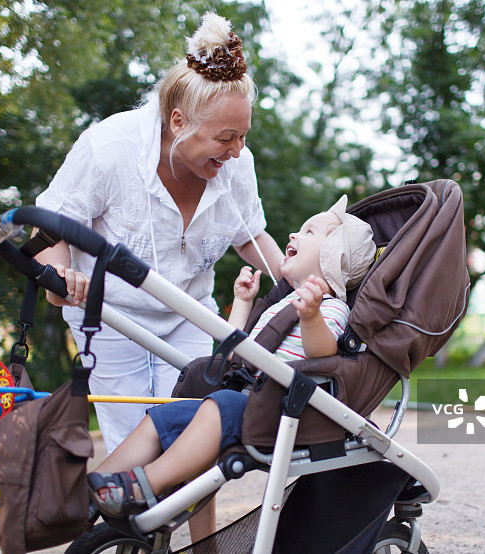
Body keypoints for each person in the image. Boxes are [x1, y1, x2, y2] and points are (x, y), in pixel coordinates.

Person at [32, 12, 284, 460]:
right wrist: (59, 277)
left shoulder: (235, 164)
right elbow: (51, 222)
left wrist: (299, 281)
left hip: (189, 311)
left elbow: (251, 236)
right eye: (226, 137)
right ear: (178, 121)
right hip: (111, 315)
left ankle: (193, 530)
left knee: (195, 435)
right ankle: (133, 527)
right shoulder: (110, 148)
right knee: (135, 443)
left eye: (243, 136)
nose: (238, 151)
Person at [86, 195, 378, 527]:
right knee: (162, 416)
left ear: (332, 257)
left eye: (308, 232)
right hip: (247, 400)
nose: (293, 236)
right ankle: (93, 490)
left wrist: (311, 318)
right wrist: (243, 303)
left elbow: (323, 356)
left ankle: (146, 486)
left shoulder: (330, 308)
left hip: (283, 412)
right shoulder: (283, 304)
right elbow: (239, 350)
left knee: (218, 404)